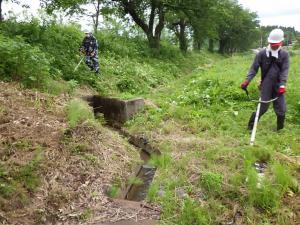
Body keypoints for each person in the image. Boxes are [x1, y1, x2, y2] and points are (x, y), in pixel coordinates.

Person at [240, 28, 289, 131]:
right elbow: (254, 69)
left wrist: (282, 85)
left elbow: (284, 71)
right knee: (262, 107)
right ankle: (250, 128)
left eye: (276, 43)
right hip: (266, 84)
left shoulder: (284, 55)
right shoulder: (261, 54)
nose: (273, 45)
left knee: (281, 109)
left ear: (281, 42)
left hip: (279, 85)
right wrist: (247, 81)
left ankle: (280, 129)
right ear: (268, 42)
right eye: (271, 43)